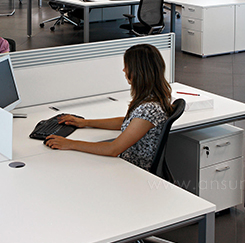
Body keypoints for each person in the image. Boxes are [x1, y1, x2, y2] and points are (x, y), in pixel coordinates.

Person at [44, 44, 175, 170]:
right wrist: (85, 122)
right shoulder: (152, 98)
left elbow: (113, 149)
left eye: (127, 66)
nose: (123, 70)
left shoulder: (149, 109)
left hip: (132, 169)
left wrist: (70, 144)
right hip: (125, 163)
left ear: (137, 72)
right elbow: (127, 122)